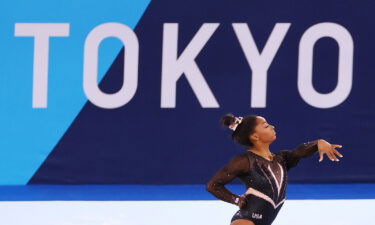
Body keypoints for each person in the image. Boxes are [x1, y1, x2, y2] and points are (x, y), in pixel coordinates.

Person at [206, 114, 343, 225]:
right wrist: (236, 200)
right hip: (245, 221)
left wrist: (318, 143)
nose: (272, 126)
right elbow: (213, 185)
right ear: (255, 136)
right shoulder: (244, 161)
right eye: (266, 126)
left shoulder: (281, 159)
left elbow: (299, 152)